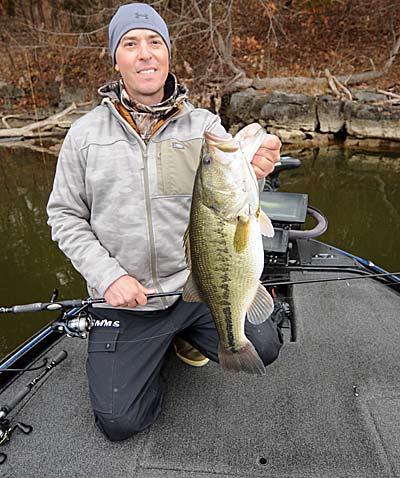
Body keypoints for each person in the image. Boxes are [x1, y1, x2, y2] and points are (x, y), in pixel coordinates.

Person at [47, 3, 283, 441]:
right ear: (115, 58)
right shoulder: (83, 136)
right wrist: (108, 276)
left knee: (264, 346)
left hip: (196, 288)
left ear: (168, 54)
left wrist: (258, 170)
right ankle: (160, 347)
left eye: (155, 42)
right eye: (131, 44)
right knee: (120, 422)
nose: (145, 54)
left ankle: (185, 337)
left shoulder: (205, 128)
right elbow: (63, 216)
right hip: (127, 302)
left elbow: (235, 197)